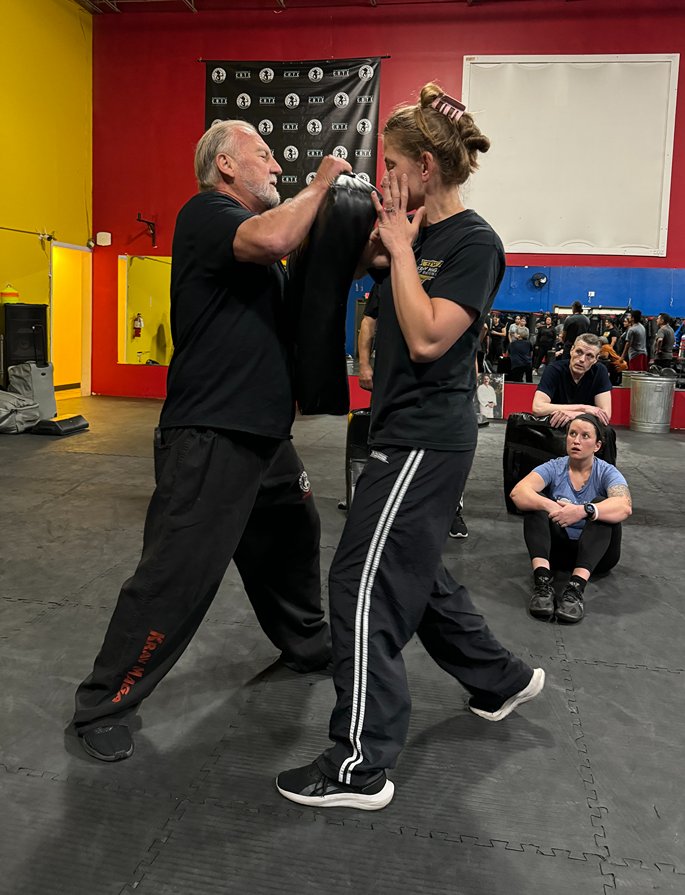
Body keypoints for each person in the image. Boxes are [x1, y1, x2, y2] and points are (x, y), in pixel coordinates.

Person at [276, 82, 544, 811]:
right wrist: (378, 237)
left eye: (391, 164)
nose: (383, 176)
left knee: (360, 583)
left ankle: (358, 764)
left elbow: (428, 337)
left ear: (425, 166)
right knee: (416, 573)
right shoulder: (414, 232)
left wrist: (398, 246)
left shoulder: (474, 243)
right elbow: (350, 272)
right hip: (398, 425)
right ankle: (501, 678)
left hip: (427, 437)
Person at [71, 121, 352, 762]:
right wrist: (319, 183)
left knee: (294, 538)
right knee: (178, 573)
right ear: (225, 165)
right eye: (264, 155)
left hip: (264, 435)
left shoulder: (258, 247)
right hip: (211, 432)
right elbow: (278, 234)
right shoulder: (207, 214)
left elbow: (311, 260)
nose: (276, 166)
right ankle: (103, 703)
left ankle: (306, 644)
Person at [510, 414, 632, 623]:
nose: (576, 441)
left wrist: (584, 510)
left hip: (598, 556)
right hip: (558, 553)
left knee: (602, 506)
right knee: (535, 503)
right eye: (572, 434)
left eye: (585, 436)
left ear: (597, 445)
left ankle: (575, 589)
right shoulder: (554, 467)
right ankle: (542, 584)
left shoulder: (607, 472)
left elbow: (625, 505)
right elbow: (518, 492)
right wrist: (549, 505)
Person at [532, 332, 611, 428]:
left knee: (608, 432)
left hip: (585, 427)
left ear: (596, 359)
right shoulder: (554, 369)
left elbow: (605, 415)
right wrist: (583, 408)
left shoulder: (600, 371)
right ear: (571, 350)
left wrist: (574, 415)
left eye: (589, 356)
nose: (582, 359)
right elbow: (538, 408)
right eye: (579, 352)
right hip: (557, 426)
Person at [358, 284, 380, 390]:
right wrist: (364, 364)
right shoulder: (383, 282)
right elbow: (368, 322)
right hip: (387, 364)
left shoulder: (431, 281)